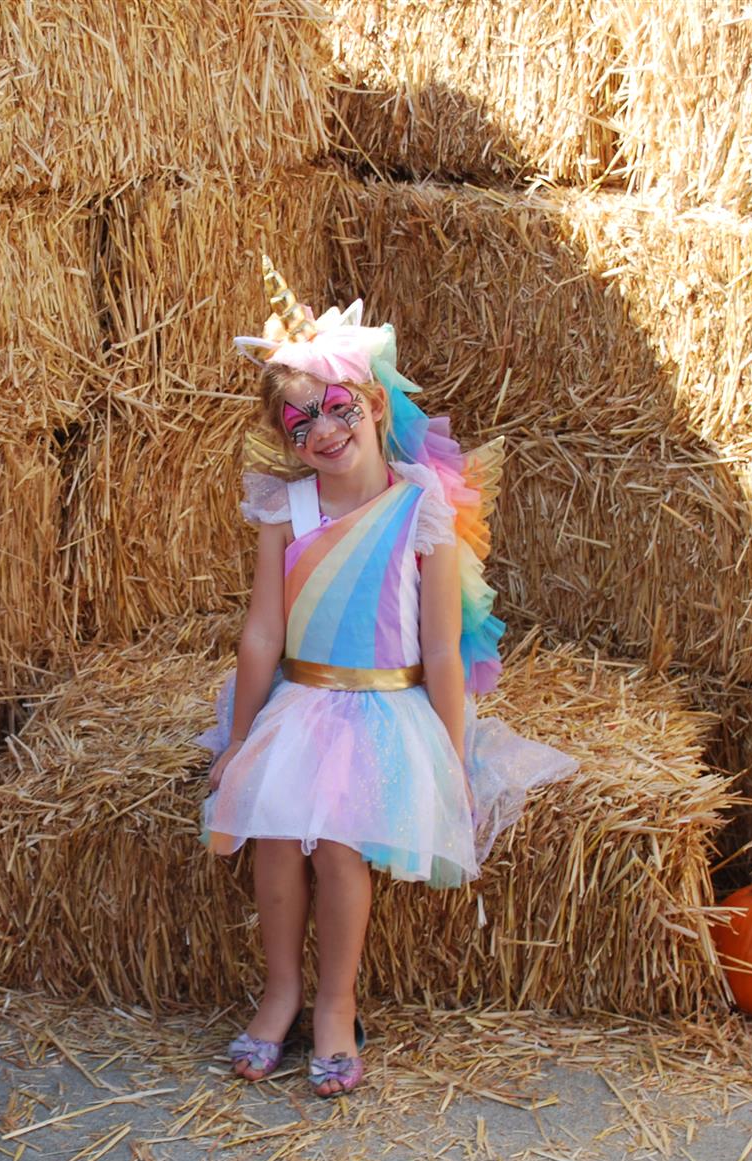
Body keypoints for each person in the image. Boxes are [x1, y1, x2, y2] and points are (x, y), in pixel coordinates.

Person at [201, 258, 576, 1098]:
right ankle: (279, 991)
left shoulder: (423, 507)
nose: (322, 434)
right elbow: (263, 630)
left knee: (338, 843)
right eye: (300, 425)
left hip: (384, 704)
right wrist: (239, 739)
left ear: (373, 406)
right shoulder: (285, 509)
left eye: (337, 410)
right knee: (270, 828)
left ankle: (335, 1003)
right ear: (288, 440)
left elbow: (442, 651)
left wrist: (450, 758)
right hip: (303, 699)